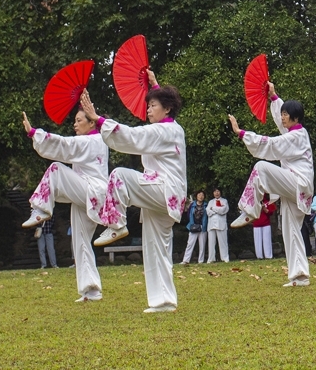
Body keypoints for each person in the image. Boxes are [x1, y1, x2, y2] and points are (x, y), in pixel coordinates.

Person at [80, 71, 187, 313]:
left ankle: (116, 223)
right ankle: (164, 301)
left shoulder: (165, 131)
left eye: (153, 106)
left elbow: (132, 136)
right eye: (148, 105)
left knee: (119, 175)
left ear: (167, 109)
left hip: (163, 189)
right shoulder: (169, 129)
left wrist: (98, 119)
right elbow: (146, 130)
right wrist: (155, 86)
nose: (148, 110)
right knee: (156, 247)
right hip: (165, 195)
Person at [228, 81, 314, 287]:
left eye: (286, 114)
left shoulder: (297, 136)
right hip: (297, 187)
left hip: (298, 183)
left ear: (295, 118)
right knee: (291, 230)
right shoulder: (293, 133)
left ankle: (250, 208)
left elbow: (273, 144)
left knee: (261, 168)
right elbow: (278, 122)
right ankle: (300, 275)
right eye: (282, 113)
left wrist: (241, 133)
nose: (282, 117)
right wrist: (274, 97)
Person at [22, 109, 105, 302]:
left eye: (79, 121)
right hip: (89, 194)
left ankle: (41, 207)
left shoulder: (92, 141)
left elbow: (64, 145)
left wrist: (34, 133)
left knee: (56, 169)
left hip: (90, 191)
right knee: (81, 241)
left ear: (91, 123)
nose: (74, 124)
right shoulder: (95, 141)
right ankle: (91, 290)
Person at [181, 191, 207, 264]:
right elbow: (188, 215)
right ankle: (186, 260)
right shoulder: (192, 205)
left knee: (202, 245)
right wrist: (192, 224)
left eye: (202, 195)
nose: (201, 196)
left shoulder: (206, 205)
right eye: (199, 195)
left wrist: (204, 226)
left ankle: (201, 261)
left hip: (203, 227)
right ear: (196, 196)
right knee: (190, 244)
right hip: (193, 226)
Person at [206, 188, 230, 262]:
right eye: (215, 191)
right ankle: (211, 259)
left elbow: (223, 210)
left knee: (223, 242)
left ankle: (225, 258)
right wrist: (216, 210)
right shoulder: (210, 201)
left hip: (221, 224)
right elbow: (208, 211)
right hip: (211, 224)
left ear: (220, 192)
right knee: (211, 243)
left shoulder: (224, 201)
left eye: (218, 191)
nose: (217, 193)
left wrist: (213, 208)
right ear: (213, 193)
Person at [252, 195, 276, 259]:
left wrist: (264, 209)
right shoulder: (253, 202)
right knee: (257, 242)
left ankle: (268, 256)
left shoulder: (267, 202)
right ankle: (259, 256)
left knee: (267, 240)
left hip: (266, 224)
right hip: (256, 224)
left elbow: (271, 212)